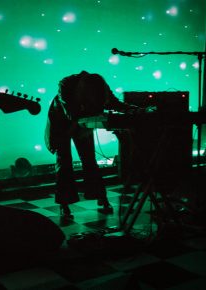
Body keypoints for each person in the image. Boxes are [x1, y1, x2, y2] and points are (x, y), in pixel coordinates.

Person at [45, 71, 139, 220]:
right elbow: (71, 114)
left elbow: (114, 103)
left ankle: (100, 195)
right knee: (64, 163)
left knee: (89, 159)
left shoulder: (100, 86)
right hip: (61, 123)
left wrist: (134, 109)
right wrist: (86, 121)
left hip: (81, 121)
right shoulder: (66, 84)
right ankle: (64, 203)